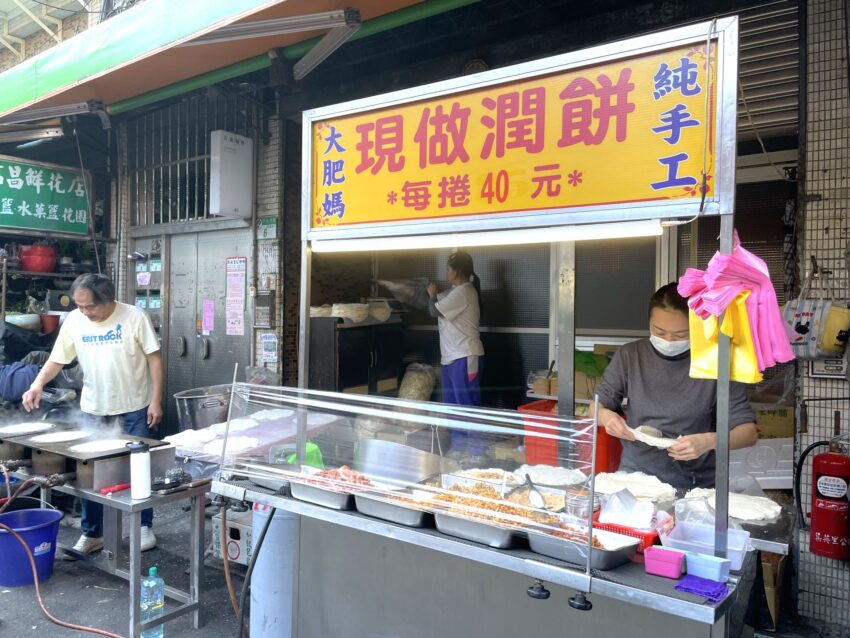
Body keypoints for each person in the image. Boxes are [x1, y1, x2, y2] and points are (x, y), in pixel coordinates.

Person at [22, 273, 163, 555]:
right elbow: (58, 359)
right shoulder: (74, 320)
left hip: (134, 406)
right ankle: (92, 533)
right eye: (80, 306)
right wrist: (37, 383)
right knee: (92, 474)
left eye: (90, 307)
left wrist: (155, 401)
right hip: (93, 408)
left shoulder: (134, 317)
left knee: (138, 471)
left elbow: (154, 358)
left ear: (108, 300)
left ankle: (143, 527)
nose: (84, 312)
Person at [593, 282, 758, 490]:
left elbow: (748, 433)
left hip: (695, 485)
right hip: (635, 479)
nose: (669, 340)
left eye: (681, 335)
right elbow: (594, 408)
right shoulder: (630, 356)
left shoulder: (716, 362)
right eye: (659, 332)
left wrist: (709, 441)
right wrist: (607, 417)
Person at [426, 250, 485, 457]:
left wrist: (432, 295)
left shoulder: (465, 292)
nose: (446, 272)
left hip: (465, 356)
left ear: (457, 270)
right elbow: (432, 305)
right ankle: (459, 451)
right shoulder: (455, 291)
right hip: (451, 357)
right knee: (453, 409)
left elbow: (434, 309)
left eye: (449, 268)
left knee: (467, 407)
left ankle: (477, 454)